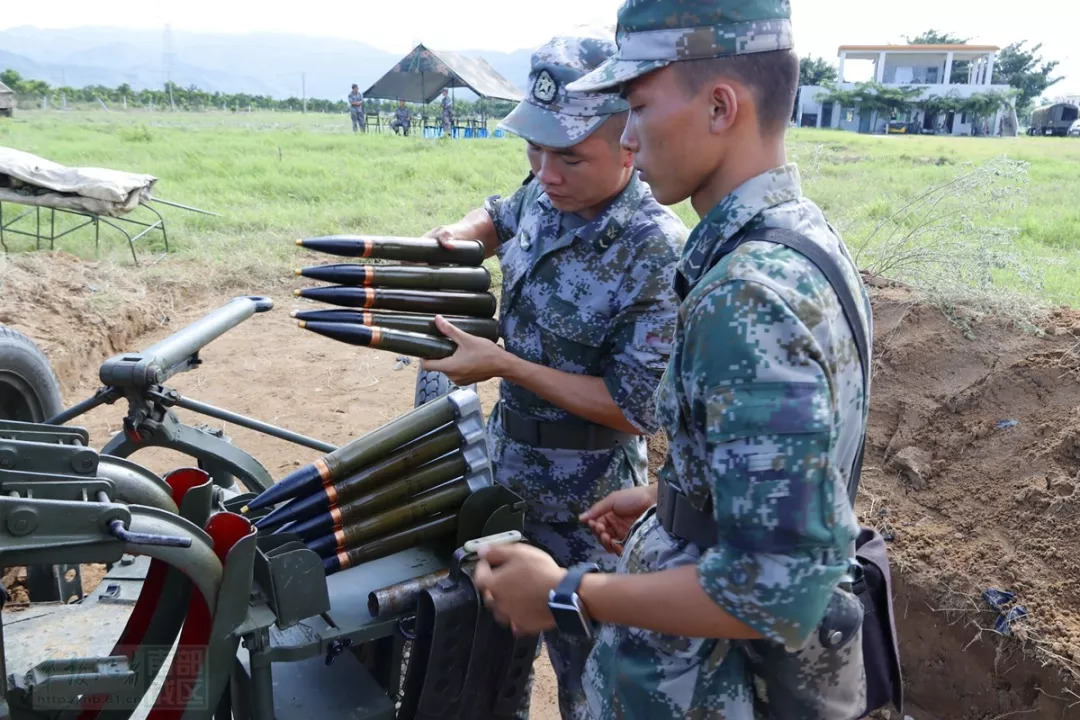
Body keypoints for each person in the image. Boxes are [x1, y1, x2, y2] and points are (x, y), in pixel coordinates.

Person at [471, 1, 874, 718]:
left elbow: (773, 586)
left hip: (705, 691)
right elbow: (790, 481)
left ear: (720, 107)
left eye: (638, 107)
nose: (628, 134)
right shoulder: (802, 244)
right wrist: (674, 500)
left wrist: (566, 592)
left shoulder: (748, 297)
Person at [420, 35, 686, 720]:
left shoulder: (654, 250)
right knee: (482, 657)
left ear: (629, 141)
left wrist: (503, 365)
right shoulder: (544, 190)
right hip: (505, 480)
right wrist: (453, 239)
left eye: (568, 155)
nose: (545, 171)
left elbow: (633, 410)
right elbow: (501, 216)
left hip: (588, 510)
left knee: (590, 681)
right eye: (533, 151)